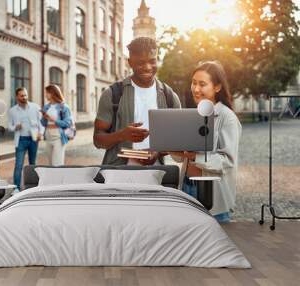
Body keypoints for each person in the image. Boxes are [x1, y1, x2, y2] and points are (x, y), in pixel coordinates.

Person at [170, 61, 242, 223]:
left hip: (212, 194)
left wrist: (195, 156)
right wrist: (170, 147)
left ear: (217, 87)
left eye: (202, 84)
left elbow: (227, 162)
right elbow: (182, 158)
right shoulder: (194, 115)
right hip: (187, 188)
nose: (196, 89)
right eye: (194, 83)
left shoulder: (227, 118)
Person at [93, 37, 181, 166]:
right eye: (140, 63)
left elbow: (178, 138)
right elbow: (97, 140)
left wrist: (157, 151)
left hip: (157, 173)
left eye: (152, 61)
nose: (147, 67)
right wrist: (122, 135)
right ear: (130, 62)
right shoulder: (113, 94)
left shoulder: (169, 96)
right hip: (119, 173)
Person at [8, 87, 44, 192]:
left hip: (33, 139)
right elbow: (9, 126)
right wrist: (15, 127)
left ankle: (33, 188)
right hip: (21, 140)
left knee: (33, 164)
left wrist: (40, 134)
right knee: (18, 165)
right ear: (17, 97)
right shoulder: (12, 111)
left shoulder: (35, 107)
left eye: (25, 95)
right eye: (22, 95)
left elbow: (41, 122)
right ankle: (16, 188)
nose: (24, 97)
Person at [40, 84, 72, 166]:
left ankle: (59, 178)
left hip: (59, 137)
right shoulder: (46, 107)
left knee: (57, 164)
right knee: (50, 164)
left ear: (53, 93)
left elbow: (67, 123)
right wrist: (44, 117)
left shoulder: (64, 107)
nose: (46, 94)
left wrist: (54, 120)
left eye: (47, 92)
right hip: (48, 137)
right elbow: (43, 123)